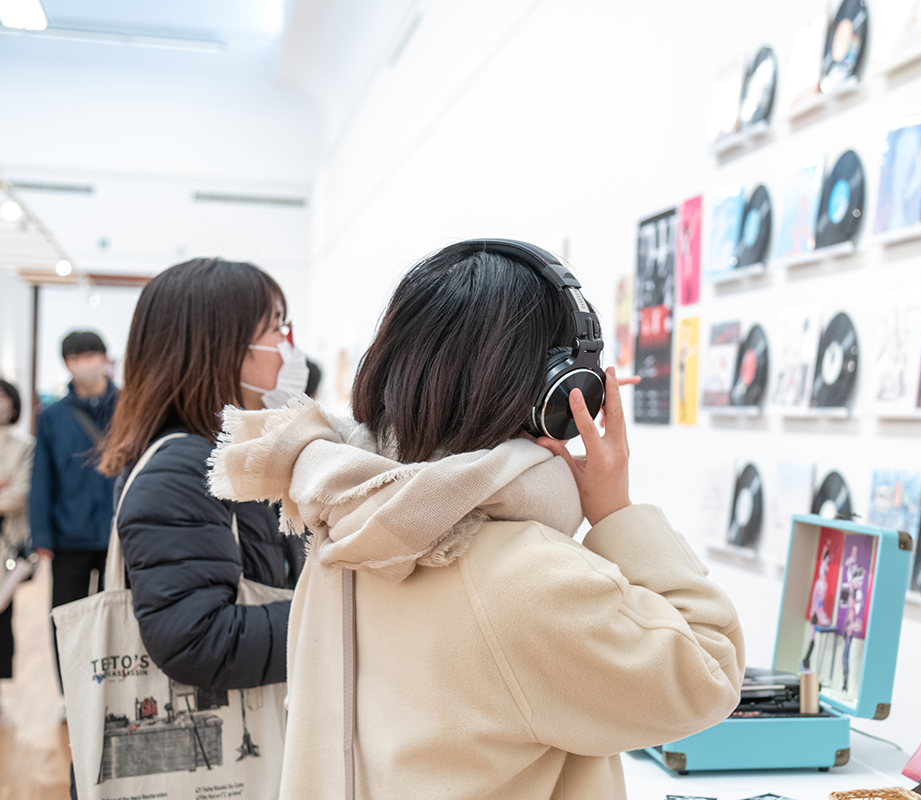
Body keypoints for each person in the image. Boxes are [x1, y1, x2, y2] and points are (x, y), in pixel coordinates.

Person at [209, 240, 745, 799]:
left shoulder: (346, 527)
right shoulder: (529, 578)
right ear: (561, 396)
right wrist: (616, 512)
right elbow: (712, 670)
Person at [97, 258, 298, 695]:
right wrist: (335, 613)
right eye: (275, 328)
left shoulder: (222, 453)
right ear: (223, 345)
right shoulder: (184, 468)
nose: (286, 344)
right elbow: (198, 640)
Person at [29, 331, 119, 692]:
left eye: (90, 354)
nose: (84, 363)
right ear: (67, 363)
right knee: (67, 618)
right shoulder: (52, 415)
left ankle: (118, 690)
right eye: (75, 357)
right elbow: (42, 476)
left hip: (120, 533)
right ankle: (72, 693)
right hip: (69, 534)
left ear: (105, 358)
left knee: (119, 615)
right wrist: (41, 534)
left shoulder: (129, 406)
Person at [0, 378, 34, 698]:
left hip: (5, 544)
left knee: (1, 614)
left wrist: (9, 490)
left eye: (3, 397)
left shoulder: (24, 445)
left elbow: (19, 494)